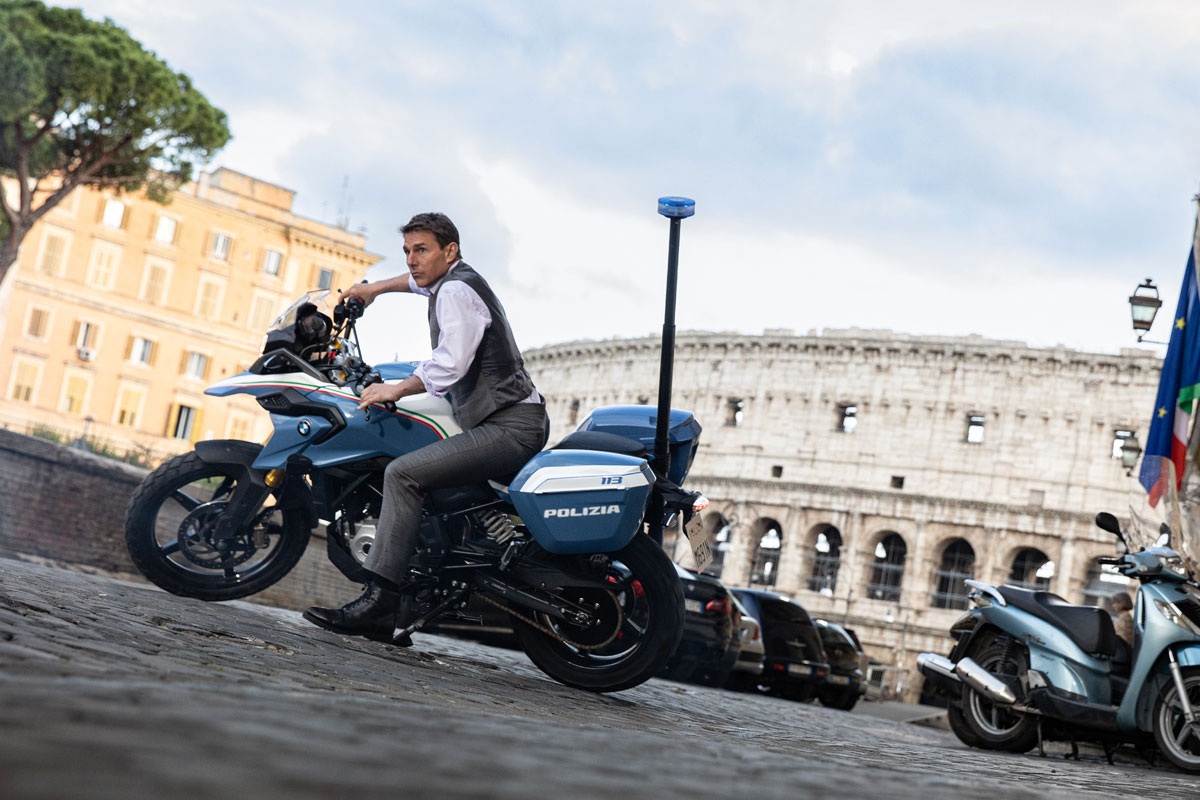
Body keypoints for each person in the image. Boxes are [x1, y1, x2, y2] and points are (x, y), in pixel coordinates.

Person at [302, 212, 548, 644]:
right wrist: (373, 289)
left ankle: (380, 603)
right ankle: (419, 585)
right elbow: (416, 283)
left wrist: (394, 389)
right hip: (512, 419)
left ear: (449, 251)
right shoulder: (453, 280)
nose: (413, 261)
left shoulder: (454, 290)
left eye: (422, 250)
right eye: (407, 252)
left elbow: (450, 362)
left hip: (511, 426)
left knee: (403, 473)